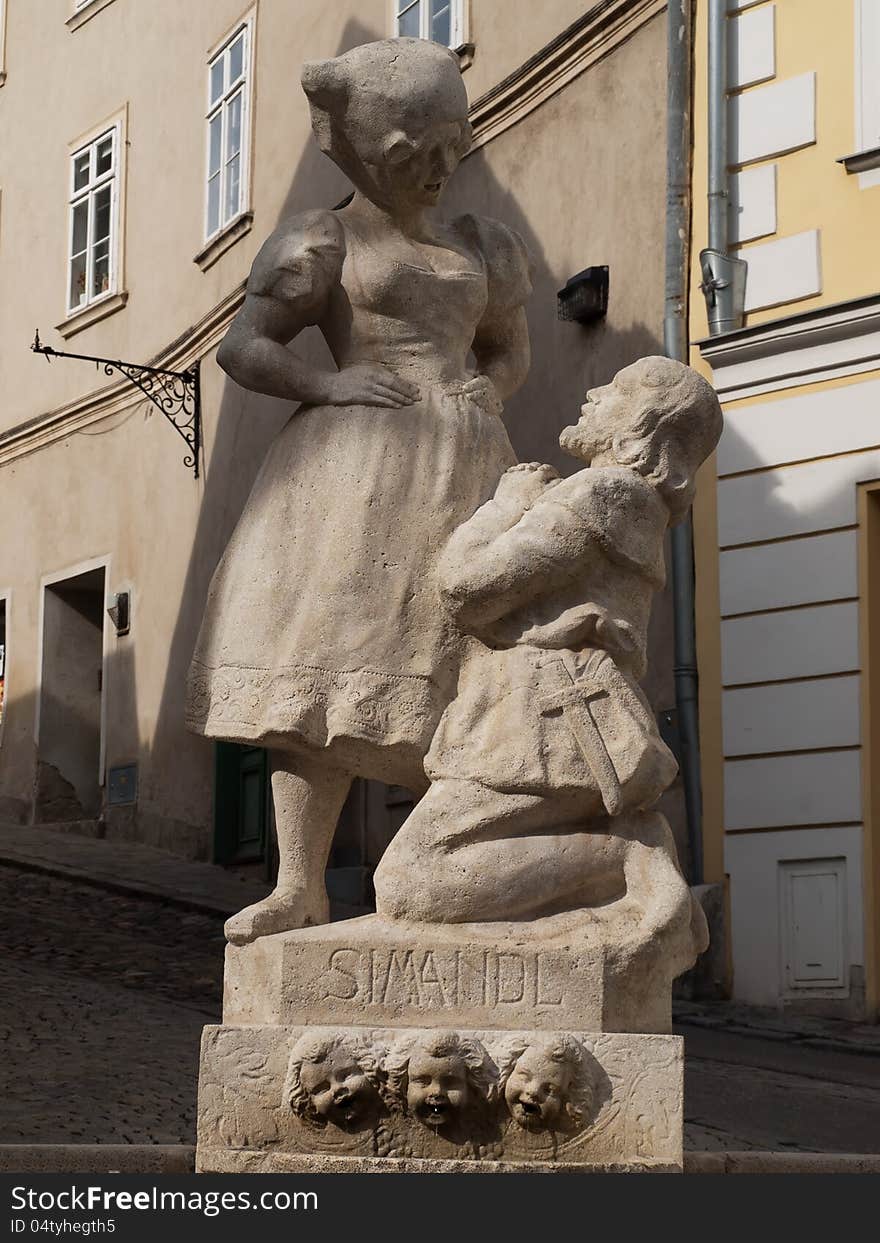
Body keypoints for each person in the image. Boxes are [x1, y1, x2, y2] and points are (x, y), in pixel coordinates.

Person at [185, 39, 532, 944]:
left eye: (447, 154)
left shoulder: (482, 244)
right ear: (369, 154)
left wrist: (478, 396)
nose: (435, 175)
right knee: (323, 668)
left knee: (463, 667)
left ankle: (445, 882)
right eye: (411, 160)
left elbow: (508, 349)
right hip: (353, 470)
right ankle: (300, 884)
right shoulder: (325, 235)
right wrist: (333, 384)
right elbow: (242, 346)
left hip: (463, 462)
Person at [373, 357, 723, 924]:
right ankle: (616, 857)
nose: (594, 391)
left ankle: (625, 857)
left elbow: (468, 588)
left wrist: (504, 507)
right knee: (417, 876)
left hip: (541, 727)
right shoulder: (632, 503)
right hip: (540, 719)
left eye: (616, 387)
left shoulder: (602, 493)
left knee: (411, 882)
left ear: (642, 422)